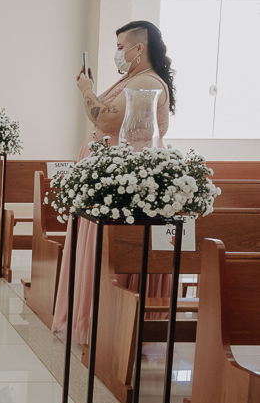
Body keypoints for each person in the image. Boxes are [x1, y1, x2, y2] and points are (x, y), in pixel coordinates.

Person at [51, 21, 176, 345]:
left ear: (139, 49)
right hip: (111, 177)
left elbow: (106, 118)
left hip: (124, 183)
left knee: (111, 250)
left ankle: (110, 320)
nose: (117, 53)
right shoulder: (133, 78)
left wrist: (85, 89)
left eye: (121, 47)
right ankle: (95, 316)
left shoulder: (147, 82)